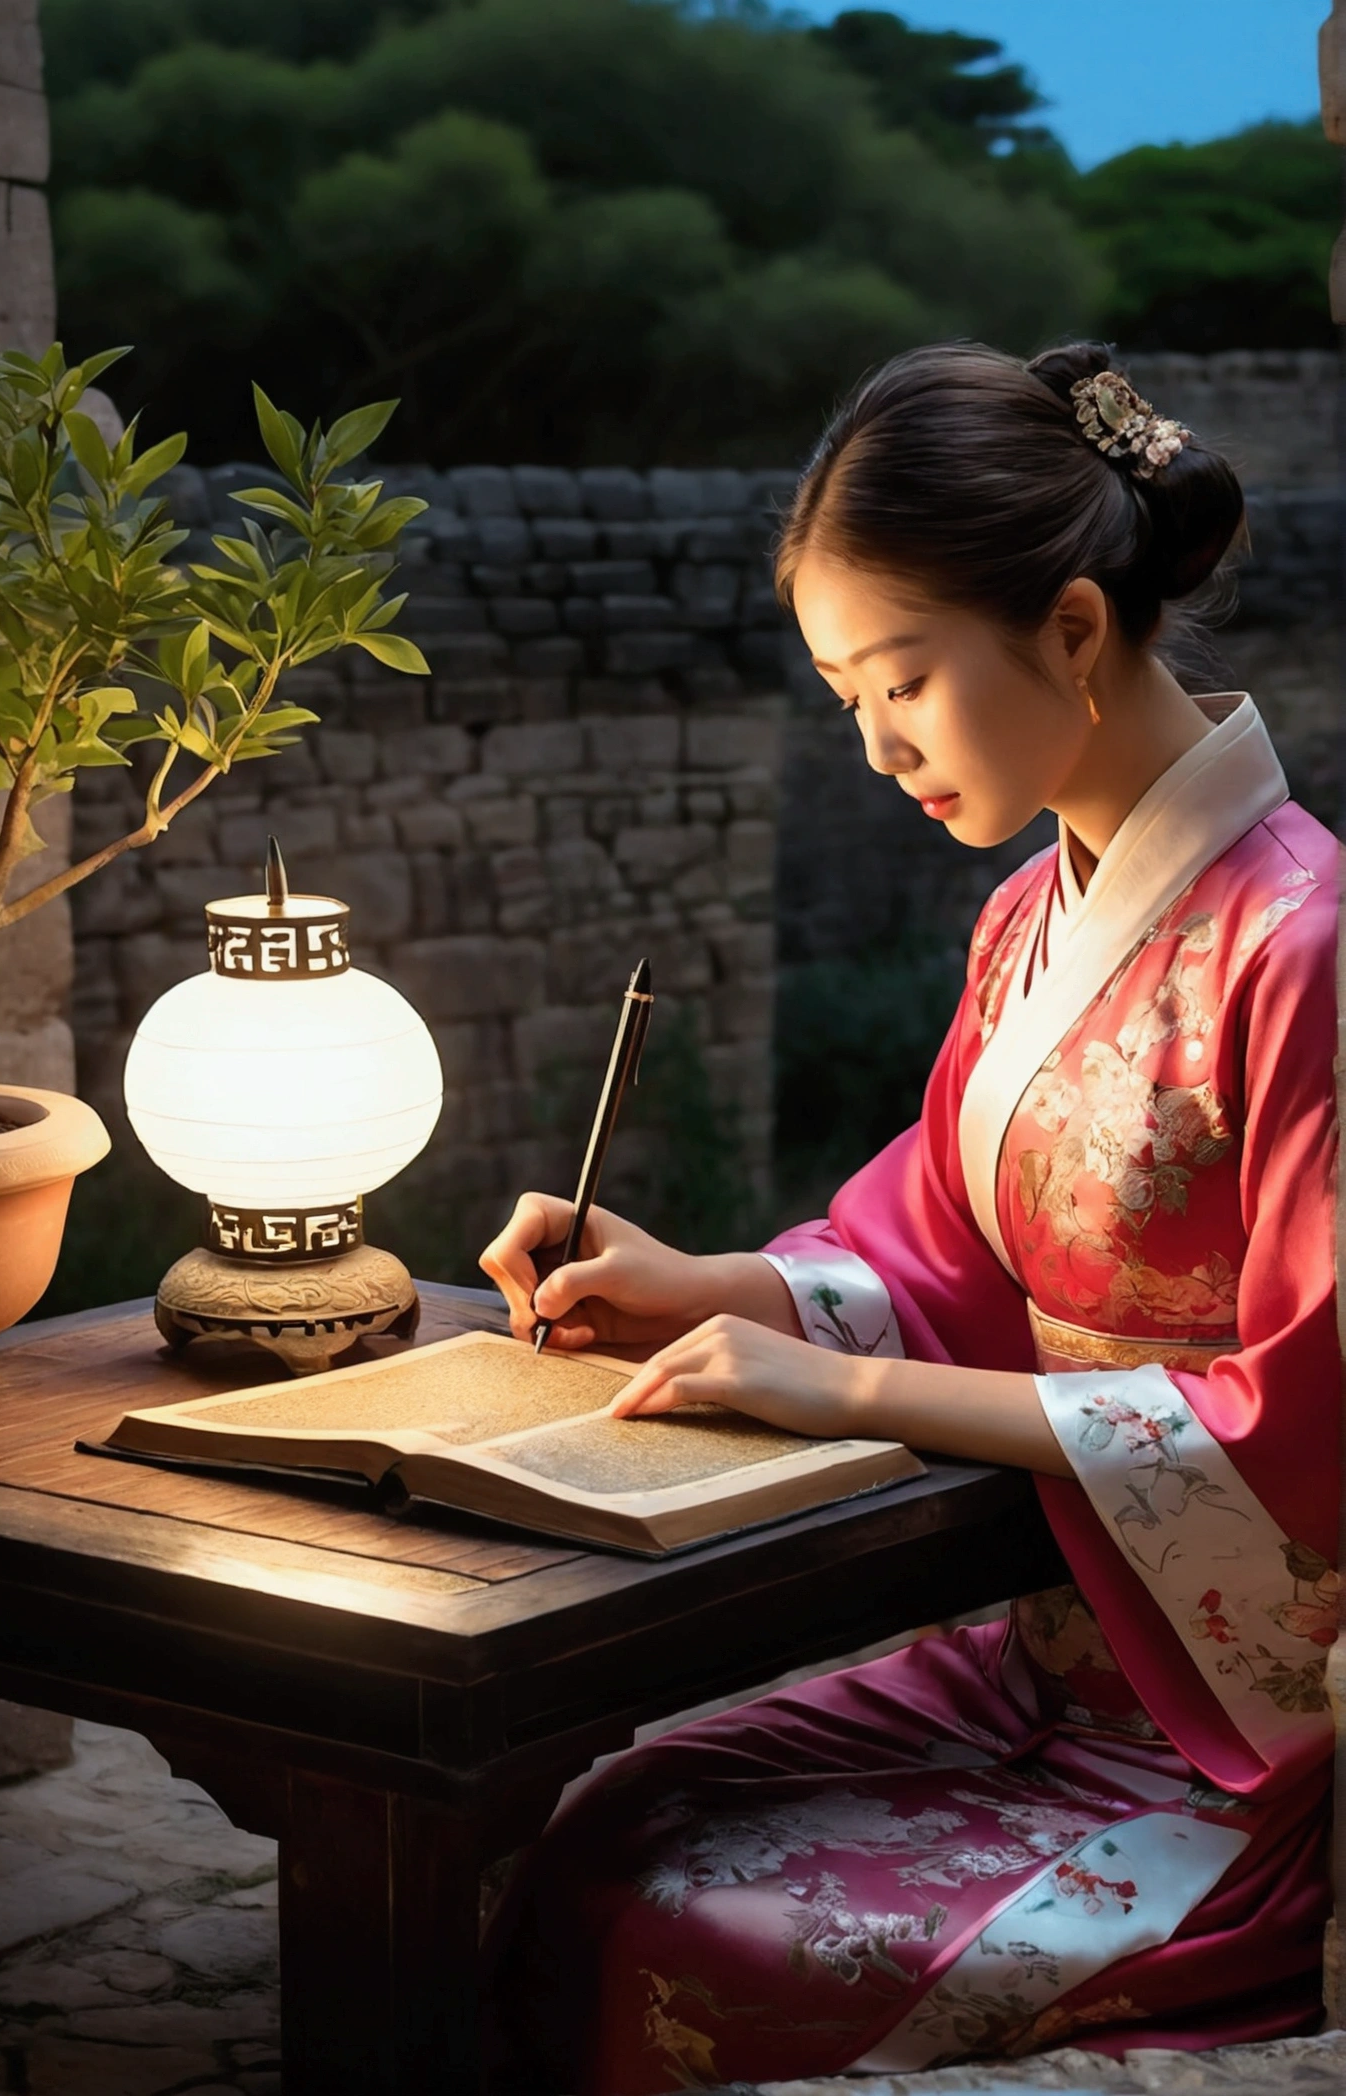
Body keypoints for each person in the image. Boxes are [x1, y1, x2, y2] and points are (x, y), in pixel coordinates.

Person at [477, 341, 1340, 2096]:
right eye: (840, 695)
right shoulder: (1028, 917)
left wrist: (850, 1394)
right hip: (1036, 1656)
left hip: (1232, 1740)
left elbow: (1305, 1421)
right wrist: (694, 1283)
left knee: (677, 1936)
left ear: (1079, 632)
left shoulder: (1305, 943)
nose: (872, 748)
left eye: (902, 684)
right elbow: (933, 1251)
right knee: (602, 1832)